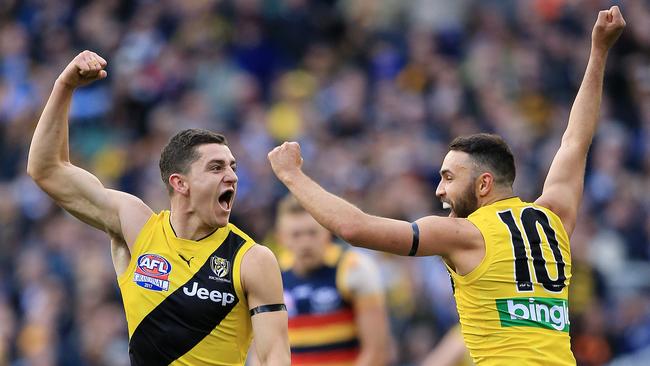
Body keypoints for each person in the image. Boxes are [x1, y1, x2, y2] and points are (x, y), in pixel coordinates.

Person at [267, 6, 625, 365]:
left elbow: (355, 228)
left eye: (449, 178)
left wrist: (292, 176)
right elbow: (575, 142)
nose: (439, 190)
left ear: (484, 184)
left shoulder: (463, 234)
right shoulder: (553, 219)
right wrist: (599, 52)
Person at [27, 51, 290, 366]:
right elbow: (46, 170)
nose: (232, 176)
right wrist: (64, 86)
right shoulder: (136, 226)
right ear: (180, 183)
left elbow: (275, 355)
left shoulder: (251, 259)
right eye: (217, 167)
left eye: (232, 167)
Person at [274, 194, 390, 366]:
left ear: (327, 232)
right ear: (281, 238)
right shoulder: (273, 274)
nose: (305, 243)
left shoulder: (353, 268)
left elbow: (376, 352)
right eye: (296, 235)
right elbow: (261, 351)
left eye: (312, 233)